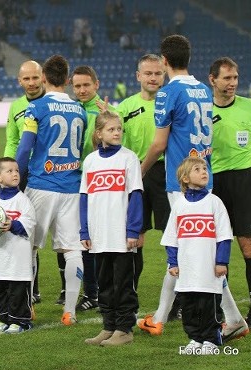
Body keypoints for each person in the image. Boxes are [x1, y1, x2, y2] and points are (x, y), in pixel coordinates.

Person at [137, 34, 249, 341]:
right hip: (205, 177)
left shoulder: (167, 92)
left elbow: (160, 143)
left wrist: (139, 171)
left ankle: (164, 318)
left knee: (189, 251)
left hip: (182, 183)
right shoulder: (202, 89)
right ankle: (225, 317)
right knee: (195, 250)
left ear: (164, 61)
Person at [16, 54, 87, 326]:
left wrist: (14, 179)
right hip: (71, 186)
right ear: (68, 81)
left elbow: (24, 149)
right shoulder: (79, 109)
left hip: (42, 185)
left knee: (28, 247)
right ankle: (70, 311)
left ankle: (26, 306)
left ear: (43, 78)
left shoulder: (37, 108)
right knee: (72, 250)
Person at [80, 111, 143, 346]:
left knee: (123, 284)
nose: (117, 133)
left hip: (121, 234)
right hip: (98, 234)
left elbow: (135, 195)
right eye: (111, 129)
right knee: (104, 282)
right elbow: (84, 198)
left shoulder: (129, 158)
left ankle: (125, 329)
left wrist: (133, 231)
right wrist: (84, 231)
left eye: (119, 129)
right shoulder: (90, 161)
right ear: (99, 133)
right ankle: (108, 326)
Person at [165, 157, 232, 354]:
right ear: (185, 178)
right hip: (187, 269)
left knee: (209, 305)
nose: (204, 172)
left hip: (209, 268)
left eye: (205, 168)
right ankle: (194, 338)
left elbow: (224, 236)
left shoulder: (215, 202)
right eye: (197, 169)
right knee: (189, 306)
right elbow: (172, 237)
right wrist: (172, 261)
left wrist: (221, 261)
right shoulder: (179, 205)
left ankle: (211, 339)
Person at [114, 54, 168, 288]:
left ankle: (177, 300)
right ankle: (131, 291)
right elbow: (114, 142)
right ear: (138, 76)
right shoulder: (126, 107)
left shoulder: (170, 101)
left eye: (158, 73)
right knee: (136, 235)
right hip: (135, 174)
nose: (153, 78)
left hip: (166, 172)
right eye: (148, 73)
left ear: (164, 75)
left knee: (173, 234)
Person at [208, 57, 251, 330]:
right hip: (213, 184)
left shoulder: (249, 108)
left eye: (235, 78)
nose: (232, 83)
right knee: (213, 249)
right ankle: (217, 309)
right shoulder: (201, 111)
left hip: (245, 181)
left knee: (248, 245)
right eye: (226, 78)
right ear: (212, 80)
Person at [4, 60, 44, 304]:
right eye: (26, 79)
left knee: (60, 234)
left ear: (43, 78)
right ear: (19, 81)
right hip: (24, 172)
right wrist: (9, 168)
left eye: (35, 78)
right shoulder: (16, 106)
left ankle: (68, 291)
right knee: (26, 231)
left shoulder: (50, 102)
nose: (31, 83)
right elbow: (12, 140)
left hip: (49, 173)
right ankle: (33, 289)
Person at [71, 65, 110, 310]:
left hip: (98, 186)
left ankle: (96, 293)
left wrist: (104, 121)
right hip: (74, 182)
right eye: (77, 86)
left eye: (86, 85)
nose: (82, 90)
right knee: (79, 238)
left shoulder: (106, 113)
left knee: (94, 239)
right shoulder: (72, 110)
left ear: (96, 84)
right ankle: (89, 292)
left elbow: (111, 151)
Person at [0, 157, 36, 334]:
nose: (15, 174)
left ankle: (20, 320)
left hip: (18, 255)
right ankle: (3, 318)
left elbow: (30, 222)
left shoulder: (23, 200)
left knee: (18, 290)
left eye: (16, 170)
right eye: (10, 171)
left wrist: (13, 225)